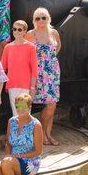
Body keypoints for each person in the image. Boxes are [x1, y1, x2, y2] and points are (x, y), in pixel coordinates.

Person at [25, 8, 61, 146]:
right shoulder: (30, 34)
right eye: (37, 18)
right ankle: (40, 135)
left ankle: (47, 133)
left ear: (48, 18)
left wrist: (49, 60)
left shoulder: (54, 33)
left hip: (52, 72)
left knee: (52, 104)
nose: (41, 20)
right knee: (29, 104)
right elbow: (26, 53)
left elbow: (58, 47)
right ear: (34, 20)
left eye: (43, 17)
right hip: (37, 73)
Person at [1, 20, 38, 116]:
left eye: (19, 29)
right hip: (12, 85)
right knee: (16, 113)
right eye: (14, 29)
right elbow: (2, 68)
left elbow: (34, 69)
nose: (16, 31)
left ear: (25, 31)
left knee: (24, 113)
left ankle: (25, 131)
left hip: (25, 85)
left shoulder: (31, 47)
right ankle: (16, 131)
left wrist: (33, 88)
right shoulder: (8, 47)